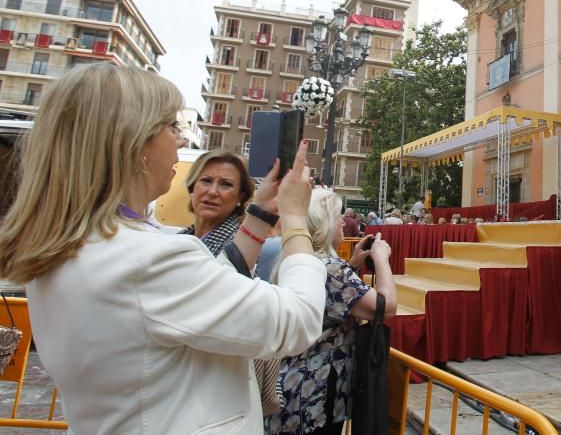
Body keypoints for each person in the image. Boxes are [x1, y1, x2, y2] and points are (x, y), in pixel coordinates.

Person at [0, 63, 326, 434]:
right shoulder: (147, 258)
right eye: (172, 127)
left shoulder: (71, 244)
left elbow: (202, 290)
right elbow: (298, 320)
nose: (182, 140)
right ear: (135, 143)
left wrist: (260, 216)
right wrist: (296, 219)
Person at [266, 190, 397, 435]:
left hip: (291, 390)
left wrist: (354, 264)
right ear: (325, 224)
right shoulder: (332, 269)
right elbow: (386, 307)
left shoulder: (298, 261)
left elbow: (328, 297)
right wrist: (382, 259)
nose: (342, 224)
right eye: (338, 217)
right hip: (316, 397)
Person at [179, 149, 256, 255]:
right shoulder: (178, 239)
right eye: (206, 181)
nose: (212, 192)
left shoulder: (240, 248)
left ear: (240, 197)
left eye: (226, 184)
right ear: (192, 187)